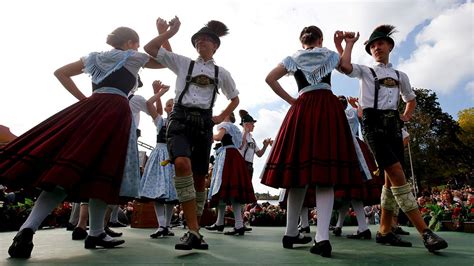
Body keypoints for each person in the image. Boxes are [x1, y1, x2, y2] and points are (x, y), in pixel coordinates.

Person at [1, 25, 166, 258]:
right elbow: (162, 60)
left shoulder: (93, 57)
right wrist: (166, 34)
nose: (138, 47)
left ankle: (29, 229)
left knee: (65, 172)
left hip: (90, 110)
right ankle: (96, 231)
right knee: (104, 171)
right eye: (136, 43)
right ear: (130, 42)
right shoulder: (133, 57)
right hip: (115, 113)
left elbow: (60, 72)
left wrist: (84, 99)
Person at [336, 25, 448, 252]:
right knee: (397, 173)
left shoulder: (401, 76)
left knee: (389, 180)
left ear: (389, 46)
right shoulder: (366, 71)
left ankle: (385, 231)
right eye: (373, 46)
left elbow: (411, 99)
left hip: (393, 126)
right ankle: (425, 232)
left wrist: (406, 114)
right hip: (373, 125)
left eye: (380, 44)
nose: (376, 48)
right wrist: (348, 44)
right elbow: (345, 66)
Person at [260, 25, 365, 258]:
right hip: (327, 108)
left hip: (303, 108)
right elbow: (346, 67)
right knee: (325, 175)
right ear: (320, 40)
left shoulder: (292, 58)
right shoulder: (329, 54)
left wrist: (292, 100)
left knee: (297, 175)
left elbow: (269, 78)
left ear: (301, 41)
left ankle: (290, 233)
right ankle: (323, 238)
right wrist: (348, 44)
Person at [144, 17, 239, 250]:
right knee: (182, 164)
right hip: (180, 119)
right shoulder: (183, 63)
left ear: (216, 45)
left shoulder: (222, 72)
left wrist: (220, 116)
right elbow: (150, 48)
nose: (201, 42)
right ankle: (193, 229)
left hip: (205, 123)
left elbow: (235, 98)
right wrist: (169, 32)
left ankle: (194, 231)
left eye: (206, 39)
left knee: (198, 178)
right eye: (197, 40)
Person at [139, 80, 179, 238]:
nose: (172, 106)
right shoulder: (161, 121)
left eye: (174, 104)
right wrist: (160, 92)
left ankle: (166, 226)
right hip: (160, 155)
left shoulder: (182, 124)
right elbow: (149, 103)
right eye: (170, 104)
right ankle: (162, 224)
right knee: (157, 191)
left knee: (172, 194)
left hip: (174, 157)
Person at [205, 112, 256, 236]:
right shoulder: (236, 129)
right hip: (235, 157)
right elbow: (241, 145)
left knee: (223, 189)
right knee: (226, 191)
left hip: (226, 156)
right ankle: (221, 223)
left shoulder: (225, 124)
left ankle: (236, 224)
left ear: (226, 116)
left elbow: (217, 138)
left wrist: (205, 133)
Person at [238, 110, 272, 178]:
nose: (254, 126)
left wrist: (265, 146)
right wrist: (245, 131)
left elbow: (259, 154)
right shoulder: (239, 135)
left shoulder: (252, 139)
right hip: (241, 165)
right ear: (246, 124)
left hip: (250, 167)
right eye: (252, 124)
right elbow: (241, 145)